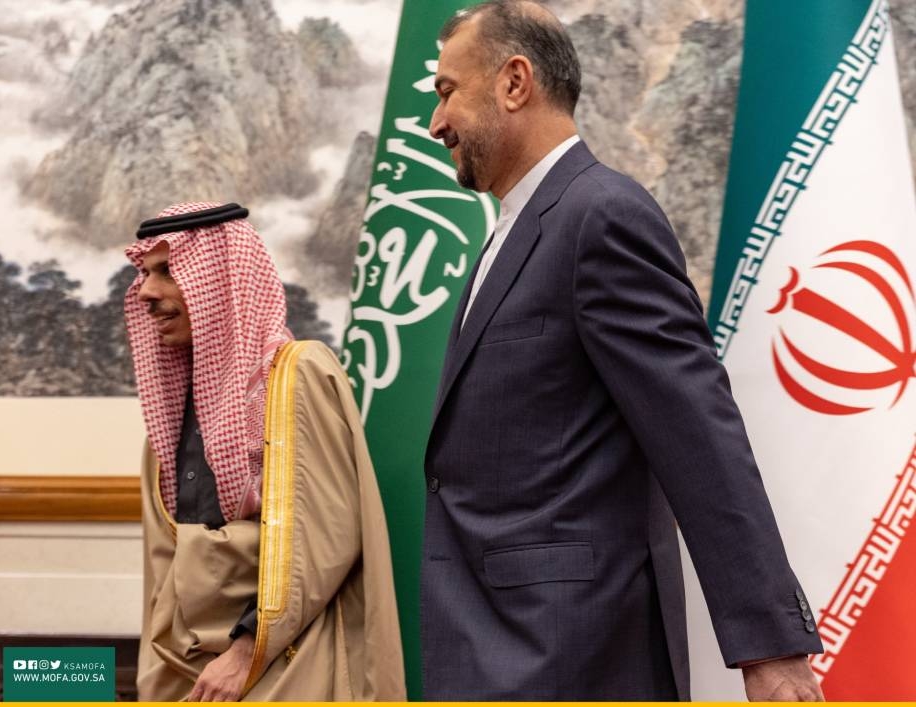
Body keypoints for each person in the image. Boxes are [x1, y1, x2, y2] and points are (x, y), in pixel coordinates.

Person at [421, 1, 824, 700]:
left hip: (573, 657)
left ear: (514, 82)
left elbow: (697, 432)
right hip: (496, 650)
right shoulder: (513, 231)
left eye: (448, 91)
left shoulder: (602, 215)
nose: (437, 123)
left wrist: (771, 647)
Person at [123, 201, 405, 701]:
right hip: (186, 667)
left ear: (221, 281)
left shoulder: (297, 377)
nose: (146, 291)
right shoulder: (169, 414)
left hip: (286, 660)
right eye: (145, 274)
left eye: (167, 271)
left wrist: (243, 654)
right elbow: (165, 565)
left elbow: (323, 540)